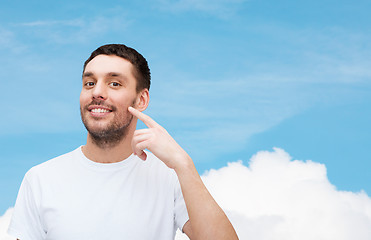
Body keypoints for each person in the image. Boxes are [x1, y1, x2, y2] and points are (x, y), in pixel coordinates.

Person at [8, 44, 238, 240]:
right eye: (89, 83)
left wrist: (184, 164)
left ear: (141, 99)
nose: (97, 92)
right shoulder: (40, 179)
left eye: (114, 83)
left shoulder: (170, 177)